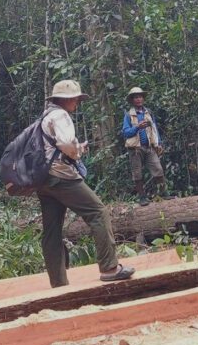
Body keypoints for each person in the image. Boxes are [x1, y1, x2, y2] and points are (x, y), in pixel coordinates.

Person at [37, 79, 135, 287]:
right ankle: (109, 268)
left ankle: (59, 283)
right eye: (76, 99)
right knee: (98, 211)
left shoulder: (44, 117)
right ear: (66, 99)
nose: (77, 103)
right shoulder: (60, 115)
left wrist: (76, 148)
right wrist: (77, 151)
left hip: (44, 179)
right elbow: (65, 143)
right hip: (61, 176)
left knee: (52, 231)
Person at [121, 87, 175, 206]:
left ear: (143, 98)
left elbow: (154, 129)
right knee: (137, 173)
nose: (139, 99)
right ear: (132, 100)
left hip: (149, 147)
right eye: (136, 97)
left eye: (140, 97)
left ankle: (163, 192)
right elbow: (125, 133)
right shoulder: (129, 115)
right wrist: (137, 127)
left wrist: (159, 143)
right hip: (135, 149)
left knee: (158, 169)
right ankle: (142, 197)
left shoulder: (148, 112)